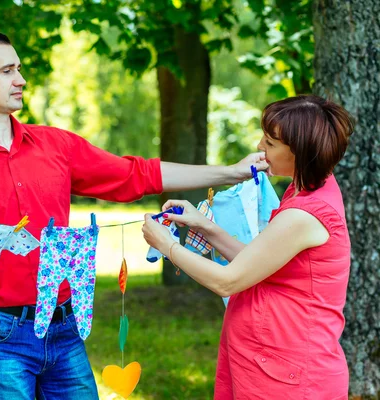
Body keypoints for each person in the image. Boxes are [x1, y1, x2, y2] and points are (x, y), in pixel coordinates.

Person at [0, 31, 266, 400]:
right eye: (8, 71)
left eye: (20, 69)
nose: (21, 80)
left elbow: (138, 174)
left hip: (65, 329)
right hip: (0, 337)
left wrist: (232, 171)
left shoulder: (56, 146)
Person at [142, 95, 354, 399]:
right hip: (268, 363)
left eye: (269, 142)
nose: (259, 147)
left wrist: (167, 245)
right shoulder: (303, 191)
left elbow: (226, 280)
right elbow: (258, 262)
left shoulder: (304, 214)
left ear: (299, 152)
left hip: (289, 375)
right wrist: (205, 225)